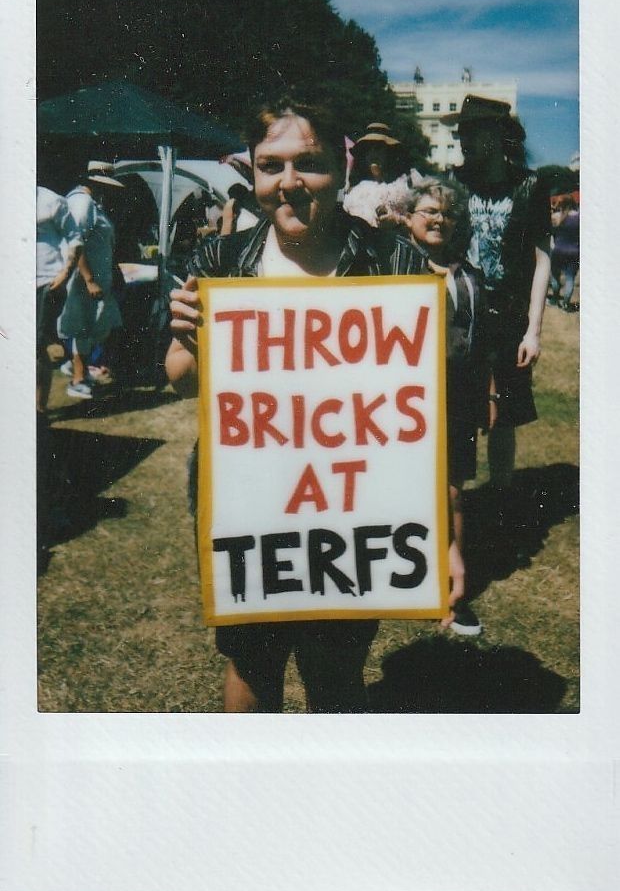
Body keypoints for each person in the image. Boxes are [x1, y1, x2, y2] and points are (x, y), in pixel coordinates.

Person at [166, 96, 440, 713]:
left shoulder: (391, 260)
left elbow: (421, 396)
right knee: (253, 662)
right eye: (271, 165)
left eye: (308, 163)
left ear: (343, 171)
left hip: (353, 506)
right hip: (250, 501)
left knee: (335, 669)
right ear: (254, 173)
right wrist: (186, 337)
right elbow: (182, 381)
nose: (288, 183)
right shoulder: (222, 260)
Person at [440, 95, 551, 508]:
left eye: (474, 130)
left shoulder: (530, 185)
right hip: (462, 314)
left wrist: (533, 330)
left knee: (505, 413)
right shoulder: (455, 181)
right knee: (460, 410)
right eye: (462, 131)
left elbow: (543, 258)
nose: (464, 138)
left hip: (508, 317)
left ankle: (502, 499)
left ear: (499, 135)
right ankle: (456, 502)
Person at [393, 177, 487, 636]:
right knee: (405, 488)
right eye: (427, 210)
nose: (437, 219)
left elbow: (480, 344)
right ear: (408, 219)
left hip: (458, 399)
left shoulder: (470, 276)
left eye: (446, 213)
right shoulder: (392, 270)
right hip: (403, 401)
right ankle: (409, 579)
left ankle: (454, 590)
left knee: (452, 492)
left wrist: (487, 395)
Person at [57, 162, 125, 399]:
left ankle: (77, 368)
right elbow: (76, 243)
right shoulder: (82, 203)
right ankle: (78, 378)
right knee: (85, 328)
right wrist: (89, 279)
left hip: (97, 277)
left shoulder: (92, 203)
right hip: (86, 280)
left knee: (96, 326)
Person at [36, 185, 83, 415]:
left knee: (35, 346)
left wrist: (65, 274)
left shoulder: (51, 200)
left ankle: (38, 407)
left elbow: (76, 240)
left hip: (45, 283)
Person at [342, 122, 411, 228]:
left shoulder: (404, 186)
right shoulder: (355, 190)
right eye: (369, 149)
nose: (374, 154)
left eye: (379, 149)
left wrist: (398, 219)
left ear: (389, 153)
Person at [548, 190, 579, 311]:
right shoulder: (581, 218)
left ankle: (555, 299)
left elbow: (551, 232)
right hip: (574, 252)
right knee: (570, 278)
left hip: (558, 251)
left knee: (555, 276)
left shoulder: (556, 217)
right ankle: (566, 304)